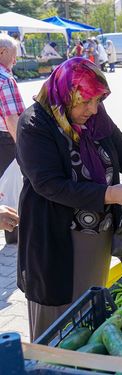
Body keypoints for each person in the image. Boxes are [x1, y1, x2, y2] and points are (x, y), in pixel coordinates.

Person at [16, 58, 122, 339]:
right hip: (54, 239)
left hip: (96, 238)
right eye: (85, 102)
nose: (93, 109)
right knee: (55, 321)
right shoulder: (34, 124)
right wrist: (111, 194)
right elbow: (49, 184)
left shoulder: (97, 118)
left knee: (89, 310)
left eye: (98, 100)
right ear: (65, 95)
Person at [0, 34, 24, 244]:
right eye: (14, 55)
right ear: (2, 52)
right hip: (5, 139)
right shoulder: (5, 79)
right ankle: (14, 234)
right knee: (12, 187)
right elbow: (11, 118)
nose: (15, 61)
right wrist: (23, 145)